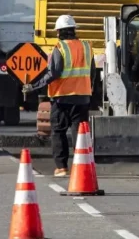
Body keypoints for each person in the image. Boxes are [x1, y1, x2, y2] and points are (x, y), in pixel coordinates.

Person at [22, 15, 96, 177]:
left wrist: (33, 86)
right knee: (80, 133)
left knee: (58, 131)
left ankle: (62, 167)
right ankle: (81, 166)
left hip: (62, 98)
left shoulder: (60, 48)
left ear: (59, 33)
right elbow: (92, 73)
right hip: (83, 97)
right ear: (74, 30)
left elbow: (53, 73)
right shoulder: (87, 47)